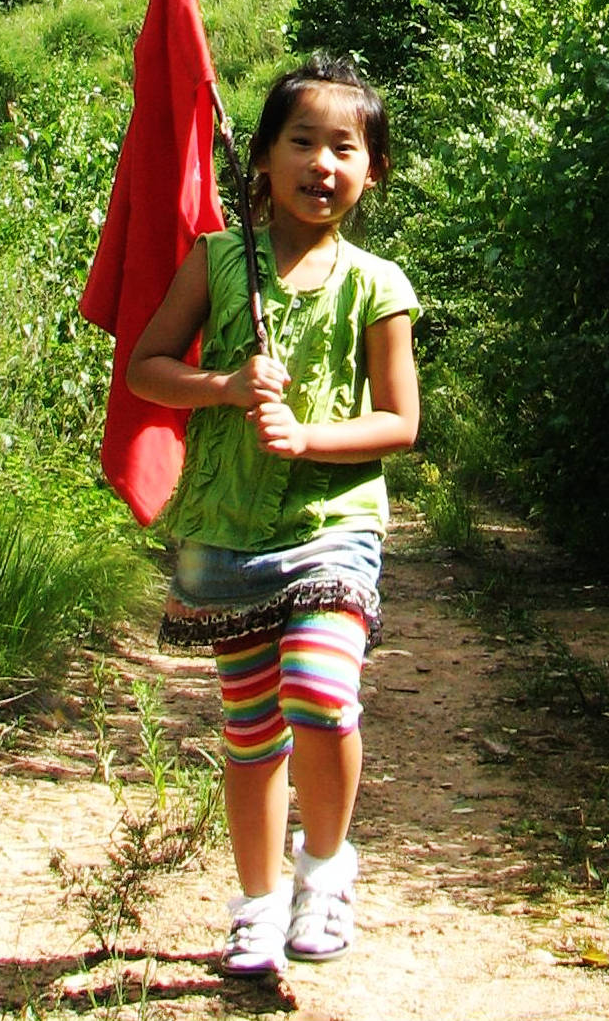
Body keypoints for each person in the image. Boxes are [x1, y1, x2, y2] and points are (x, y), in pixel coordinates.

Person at [126, 53, 419, 976]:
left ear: (372, 169)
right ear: (260, 157)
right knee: (252, 729)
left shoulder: (379, 283)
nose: (322, 163)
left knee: (324, 698)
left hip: (333, 526)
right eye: (302, 141)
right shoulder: (216, 260)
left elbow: (400, 420)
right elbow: (144, 367)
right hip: (223, 532)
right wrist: (220, 384)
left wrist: (311, 439)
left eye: (346, 146)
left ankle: (325, 869)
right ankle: (257, 902)